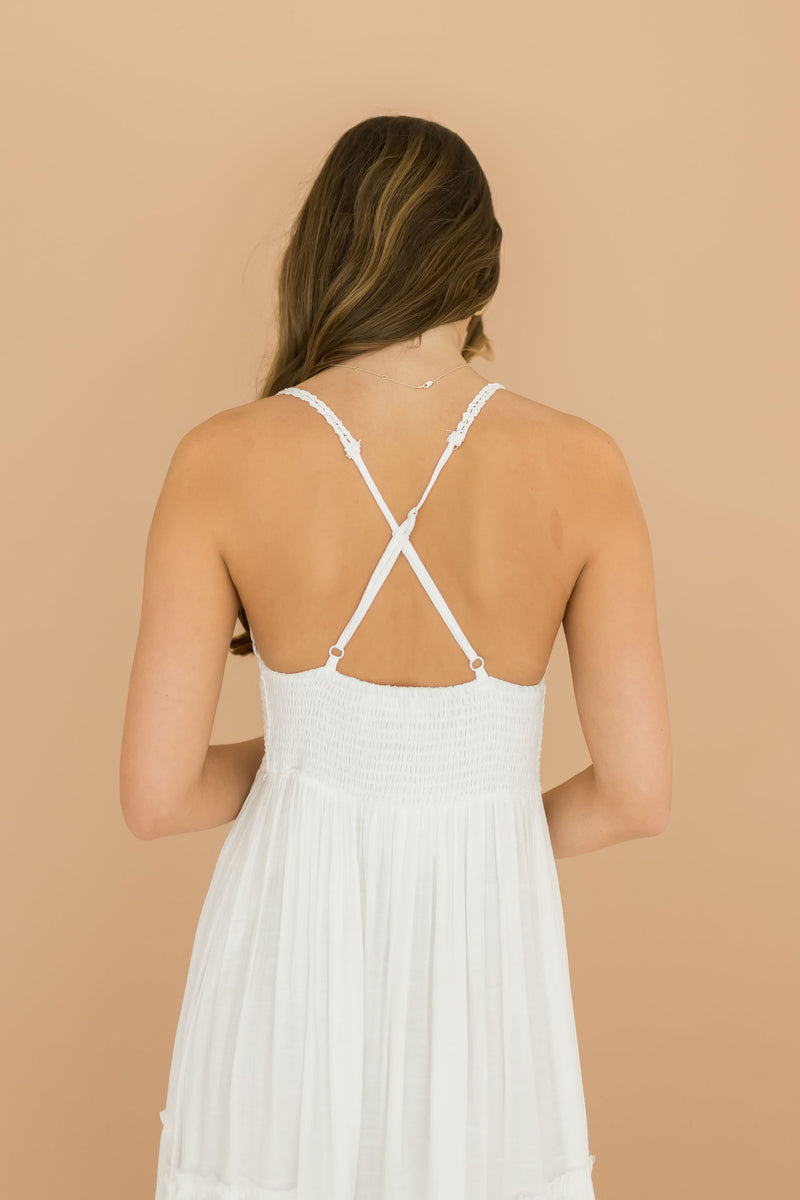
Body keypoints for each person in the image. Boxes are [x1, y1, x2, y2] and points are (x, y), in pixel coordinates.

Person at [121, 114, 671, 1200]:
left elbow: (157, 795)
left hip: (286, 944)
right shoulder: (584, 465)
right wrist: (470, 804)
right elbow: (637, 795)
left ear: (324, 252)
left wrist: (320, 756)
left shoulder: (220, 459)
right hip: (485, 955)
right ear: (479, 268)